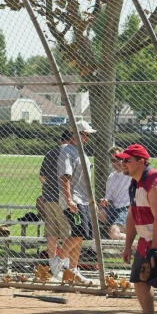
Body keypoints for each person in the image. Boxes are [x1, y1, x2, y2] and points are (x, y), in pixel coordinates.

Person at [117, 144, 157, 314]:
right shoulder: (134, 183)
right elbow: (131, 215)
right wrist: (128, 245)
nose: (122, 163)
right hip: (146, 240)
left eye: (127, 160)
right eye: (122, 160)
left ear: (141, 161)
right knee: (140, 279)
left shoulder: (156, 182)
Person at [57, 120, 95, 284]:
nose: (87, 138)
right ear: (76, 134)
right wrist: (69, 199)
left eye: (87, 135)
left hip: (83, 199)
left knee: (80, 235)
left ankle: (72, 270)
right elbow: (65, 176)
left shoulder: (81, 152)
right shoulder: (68, 151)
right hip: (74, 199)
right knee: (79, 233)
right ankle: (56, 263)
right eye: (85, 134)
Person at [39, 129, 72, 277]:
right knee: (67, 233)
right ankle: (65, 266)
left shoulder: (50, 153)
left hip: (48, 197)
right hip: (63, 198)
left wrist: (50, 184)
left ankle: (53, 266)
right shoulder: (70, 153)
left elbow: (42, 178)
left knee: (51, 234)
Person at [98, 146, 130, 241]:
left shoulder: (131, 174)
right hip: (113, 208)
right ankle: (95, 243)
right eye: (113, 160)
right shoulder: (111, 176)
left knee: (114, 234)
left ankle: (140, 245)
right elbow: (109, 199)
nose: (116, 163)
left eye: (118, 159)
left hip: (127, 208)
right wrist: (105, 201)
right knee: (93, 211)